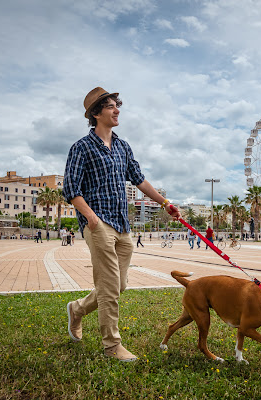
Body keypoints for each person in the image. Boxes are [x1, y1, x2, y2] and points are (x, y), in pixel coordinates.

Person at [63, 87, 181, 362]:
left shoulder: (123, 147)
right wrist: (90, 218)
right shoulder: (81, 147)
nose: (117, 110)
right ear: (95, 113)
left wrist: (165, 203)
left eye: (118, 105)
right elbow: (71, 187)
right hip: (98, 223)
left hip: (122, 224)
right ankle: (111, 346)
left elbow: (138, 179)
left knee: (119, 285)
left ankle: (77, 309)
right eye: (110, 106)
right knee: (108, 287)